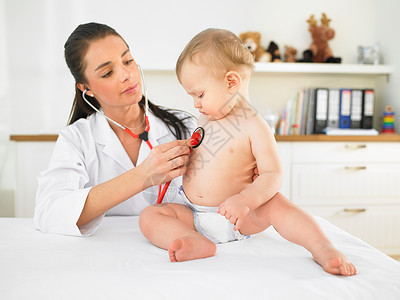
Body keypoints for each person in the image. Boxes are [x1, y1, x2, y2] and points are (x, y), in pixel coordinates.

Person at [139, 28, 357, 276]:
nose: (195, 104)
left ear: (231, 82)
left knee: (276, 205)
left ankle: (322, 247)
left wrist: (245, 200)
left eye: (199, 94)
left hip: (239, 218)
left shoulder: (254, 126)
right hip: (194, 214)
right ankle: (192, 240)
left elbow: (272, 174)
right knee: (150, 216)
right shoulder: (206, 116)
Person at [34, 22, 196, 236]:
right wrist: (142, 176)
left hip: (177, 248)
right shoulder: (76, 139)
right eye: (108, 72)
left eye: (128, 61)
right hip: (108, 256)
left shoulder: (185, 126)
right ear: (86, 89)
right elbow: (49, 213)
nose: (126, 75)